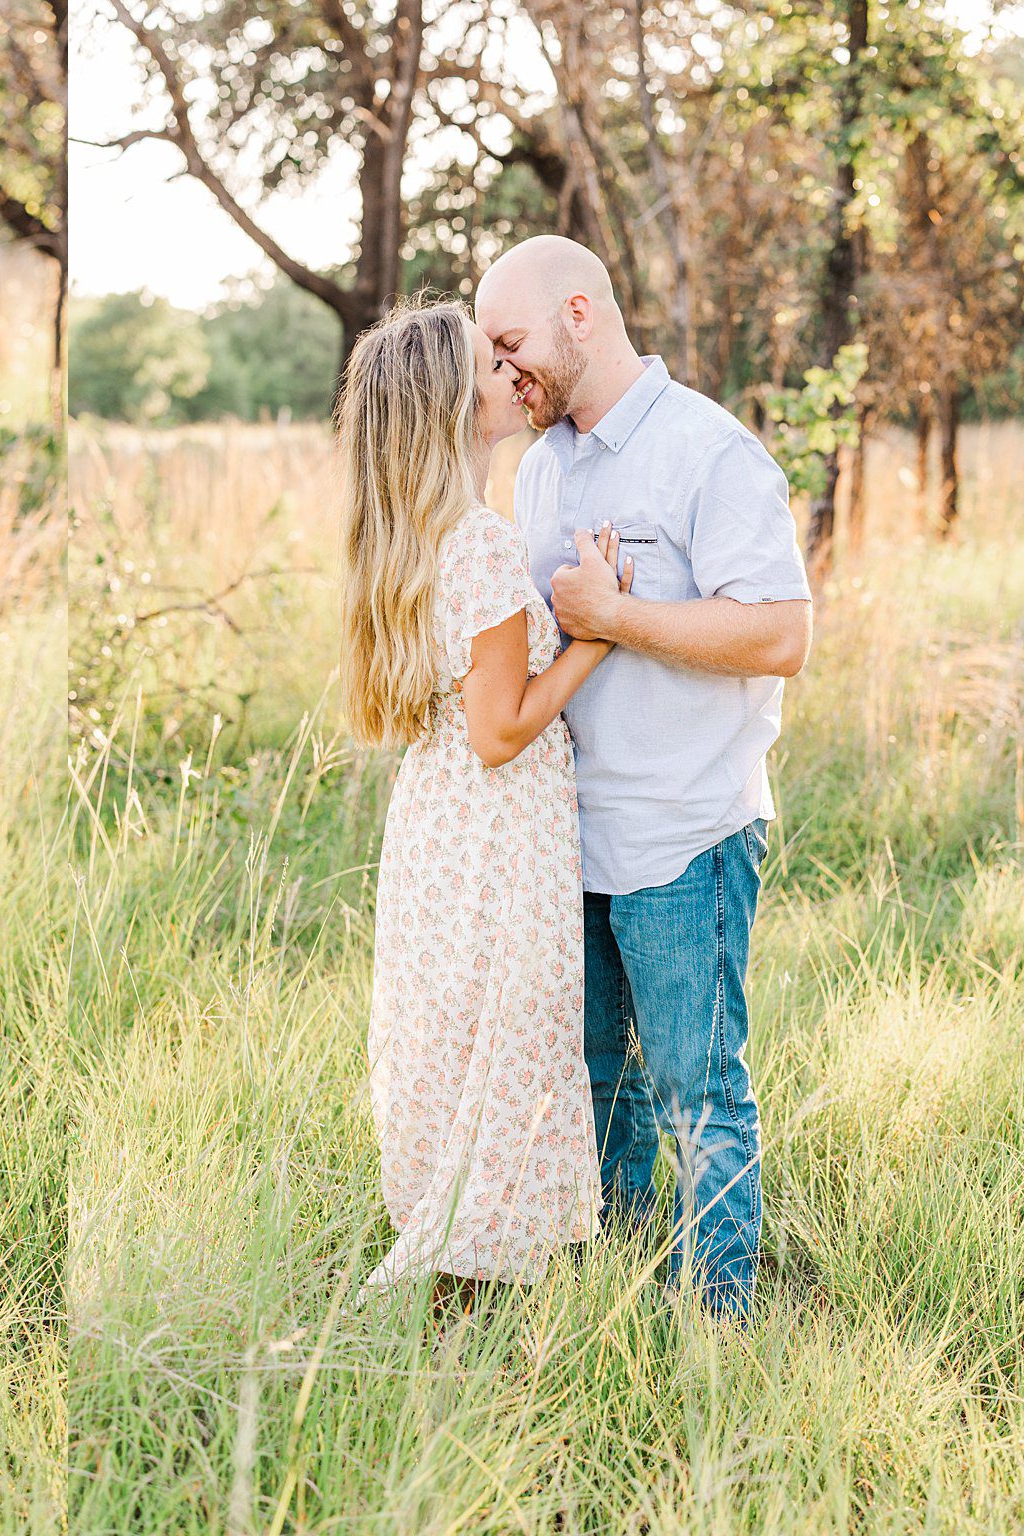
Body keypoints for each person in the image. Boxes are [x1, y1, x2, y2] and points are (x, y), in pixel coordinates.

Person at [475, 235, 813, 1319]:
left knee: (695, 1093)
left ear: (579, 313)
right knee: (595, 1089)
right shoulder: (535, 468)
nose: (501, 368)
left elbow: (780, 634)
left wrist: (618, 615)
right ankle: (613, 1303)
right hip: (567, 840)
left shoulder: (707, 454)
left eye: (510, 342)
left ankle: (714, 1324)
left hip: (682, 833)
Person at [340, 298, 624, 1298]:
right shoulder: (478, 542)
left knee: (454, 1045)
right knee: (505, 1041)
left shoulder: (407, 534)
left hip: (434, 829)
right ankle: (484, 1293)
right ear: (452, 405)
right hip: (495, 835)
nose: (512, 375)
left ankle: (461, 1271)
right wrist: (596, 629)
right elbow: (501, 732)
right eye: (488, 367)